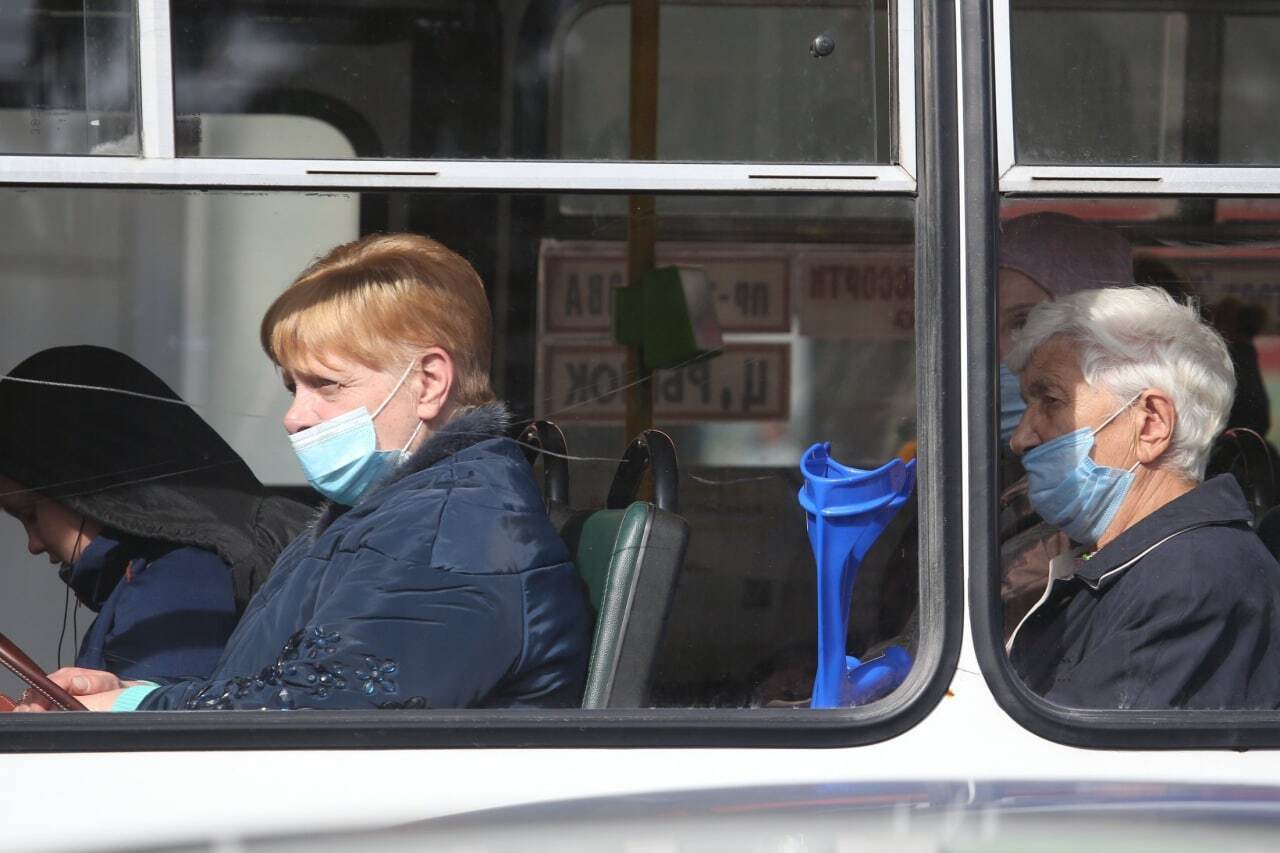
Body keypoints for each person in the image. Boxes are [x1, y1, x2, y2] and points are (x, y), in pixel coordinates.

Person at [16, 233, 593, 712]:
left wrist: (141, 709)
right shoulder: (390, 516)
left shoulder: (453, 533)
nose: (295, 417)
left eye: (326, 385)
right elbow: (282, 688)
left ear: (429, 383)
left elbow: (328, 713)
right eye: (294, 387)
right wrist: (135, 693)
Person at [1006, 286, 1280, 709]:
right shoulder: (1144, 564)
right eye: (1029, 404)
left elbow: (1073, 746)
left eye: (1051, 401)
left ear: (1151, 424)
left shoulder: (1190, 582)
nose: (1021, 438)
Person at [0, 346, 311, 680]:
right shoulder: (168, 574)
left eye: (30, 514)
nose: (33, 544)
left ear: (87, 487)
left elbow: (161, 710)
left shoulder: (180, 581)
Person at [997, 212, 1135, 638]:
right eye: (982, 323)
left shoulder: (1089, 502)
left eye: (1023, 323)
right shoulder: (981, 476)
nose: (998, 350)